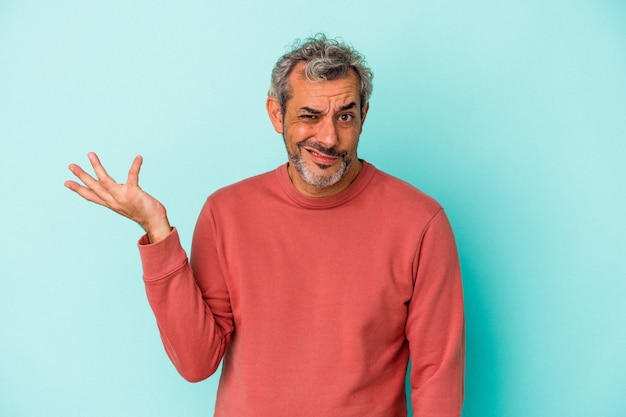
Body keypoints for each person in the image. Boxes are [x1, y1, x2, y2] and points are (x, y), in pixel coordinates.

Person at [65, 34, 465, 417]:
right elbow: (196, 362)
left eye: (345, 116)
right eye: (310, 116)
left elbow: (438, 376)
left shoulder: (420, 222)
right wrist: (157, 232)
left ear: (364, 116)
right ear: (277, 114)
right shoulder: (226, 213)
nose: (329, 137)